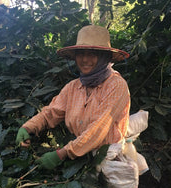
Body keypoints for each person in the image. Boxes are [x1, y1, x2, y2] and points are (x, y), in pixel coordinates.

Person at [16, 25, 130, 171]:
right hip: (79, 160)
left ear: (104, 57)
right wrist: (28, 127)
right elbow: (51, 112)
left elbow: (99, 128)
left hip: (110, 159)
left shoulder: (116, 85)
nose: (85, 59)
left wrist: (62, 154)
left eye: (92, 54)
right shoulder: (73, 87)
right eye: (81, 53)